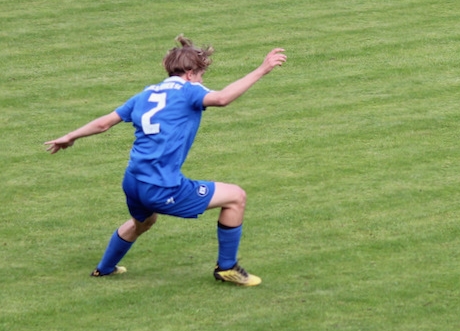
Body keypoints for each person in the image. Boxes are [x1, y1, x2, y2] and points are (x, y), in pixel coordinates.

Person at [45, 36, 286, 286]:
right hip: (161, 186)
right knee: (236, 197)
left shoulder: (145, 94)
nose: (202, 81)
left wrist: (70, 136)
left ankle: (104, 269)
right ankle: (227, 268)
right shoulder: (190, 90)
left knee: (143, 222)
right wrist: (262, 69)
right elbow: (222, 98)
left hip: (133, 181)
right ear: (190, 74)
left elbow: (104, 123)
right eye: (201, 75)